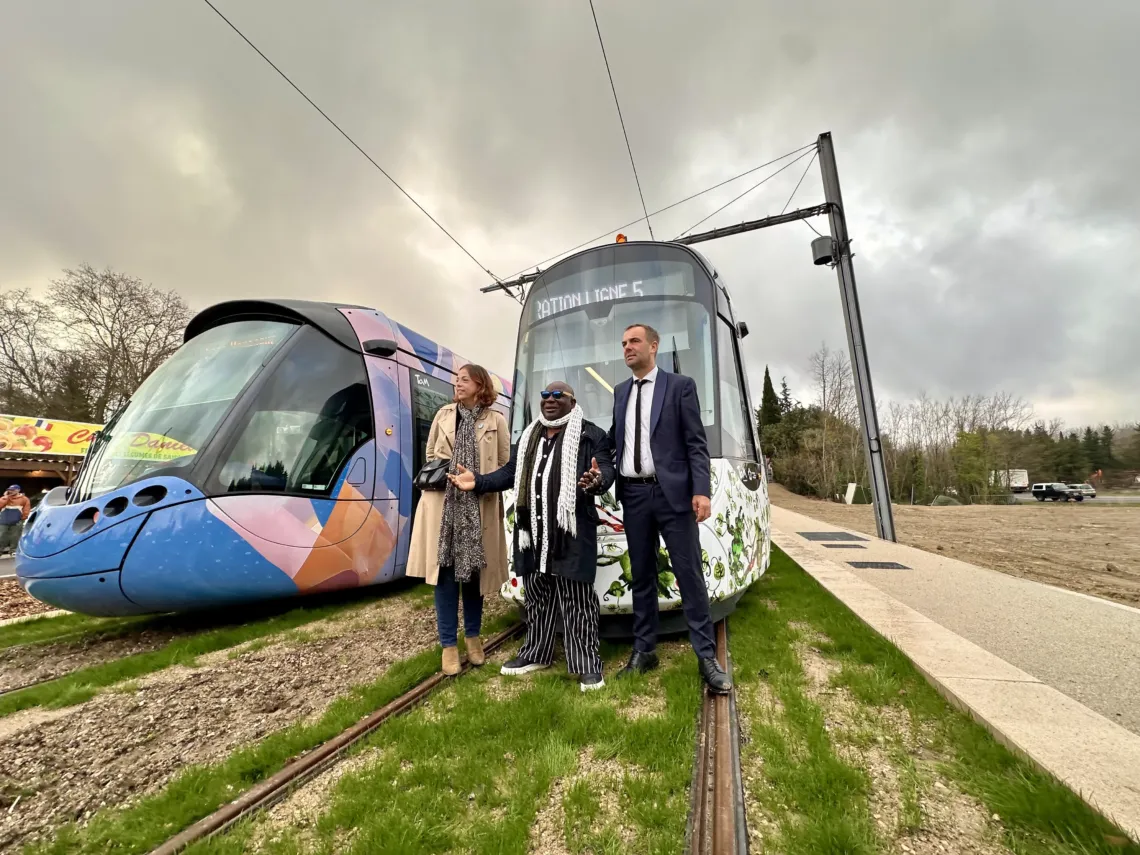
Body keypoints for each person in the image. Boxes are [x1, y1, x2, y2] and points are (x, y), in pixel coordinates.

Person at [449, 381, 615, 691]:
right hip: (533, 532)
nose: (550, 401)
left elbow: (605, 469)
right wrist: (479, 481)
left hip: (571, 532)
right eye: (545, 396)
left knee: (577, 599)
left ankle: (587, 664)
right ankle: (536, 653)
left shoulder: (591, 434)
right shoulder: (529, 436)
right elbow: (511, 472)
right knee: (537, 596)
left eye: (558, 396)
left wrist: (598, 479)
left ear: (572, 400)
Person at [606, 323, 731, 694]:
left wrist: (701, 491)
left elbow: (696, 443)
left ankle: (706, 657)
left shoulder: (680, 387)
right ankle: (645, 650)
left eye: (634, 341)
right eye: (624, 343)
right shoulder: (619, 392)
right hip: (635, 496)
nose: (627, 347)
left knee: (689, 574)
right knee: (642, 575)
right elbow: (616, 442)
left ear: (653, 346)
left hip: (673, 495)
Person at [406, 364, 510, 676]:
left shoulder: (496, 420)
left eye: (464, 379)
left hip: (479, 506)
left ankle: (474, 638)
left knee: (475, 574)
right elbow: (429, 456)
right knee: (446, 574)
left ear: (480, 385)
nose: (457, 383)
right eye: (456, 379)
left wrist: (478, 479)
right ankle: (449, 645)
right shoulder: (443, 414)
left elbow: (505, 465)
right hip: (444, 506)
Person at [0, 484, 31, 557]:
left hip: (17, 521)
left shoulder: (24, 499)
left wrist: (22, 519)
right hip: (3, 521)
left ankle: (13, 551)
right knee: (1, 536)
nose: (11, 491)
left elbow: (26, 509)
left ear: (18, 490)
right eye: (10, 490)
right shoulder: (5, 498)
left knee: (15, 537)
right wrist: (5, 497)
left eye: (13, 490)